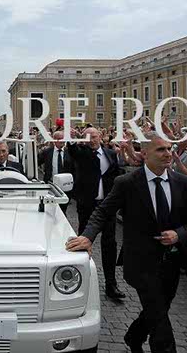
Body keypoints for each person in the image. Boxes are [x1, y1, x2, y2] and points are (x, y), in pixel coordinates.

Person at [66, 132, 187, 353]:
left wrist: (179, 234)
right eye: (161, 149)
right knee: (159, 317)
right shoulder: (127, 182)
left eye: (169, 148)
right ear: (145, 153)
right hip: (140, 262)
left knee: (160, 308)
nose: (168, 153)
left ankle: (134, 336)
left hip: (172, 262)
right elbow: (103, 212)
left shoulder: (184, 183)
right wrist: (87, 236)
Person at [66, 127, 125, 299]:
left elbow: (116, 174)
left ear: (100, 136)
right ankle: (80, 281)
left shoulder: (110, 154)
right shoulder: (82, 152)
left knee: (110, 244)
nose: (91, 140)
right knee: (83, 242)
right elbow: (73, 150)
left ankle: (111, 284)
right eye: (87, 137)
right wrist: (71, 139)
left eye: (93, 136)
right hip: (87, 205)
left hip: (106, 206)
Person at [39, 131, 75, 214]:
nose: (62, 141)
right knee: (50, 209)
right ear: (54, 140)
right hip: (50, 185)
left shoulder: (70, 152)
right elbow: (36, 162)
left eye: (63, 139)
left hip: (65, 186)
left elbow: (74, 168)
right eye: (59, 139)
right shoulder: (47, 152)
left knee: (63, 210)